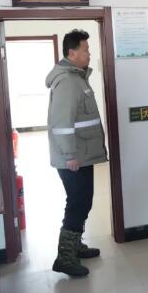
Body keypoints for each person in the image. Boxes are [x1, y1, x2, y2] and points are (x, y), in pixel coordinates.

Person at [46, 29, 108, 277]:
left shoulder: (77, 77)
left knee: (83, 201)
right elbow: (61, 123)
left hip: (82, 153)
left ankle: (76, 246)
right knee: (78, 203)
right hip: (74, 156)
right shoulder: (68, 81)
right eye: (85, 50)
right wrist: (70, 154)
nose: (89, 54)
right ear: (72, 53)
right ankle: (65, 257)